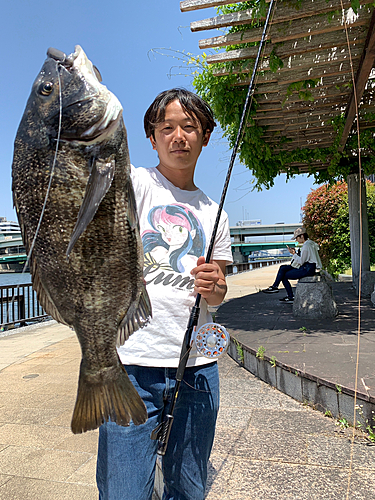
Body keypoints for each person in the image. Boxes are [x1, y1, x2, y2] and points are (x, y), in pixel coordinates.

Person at [96, 88, 233, 500]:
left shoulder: (216, 213)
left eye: (189, 127)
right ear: (151, 139)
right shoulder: (132, 183)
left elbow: (218, 295)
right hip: (130, 367)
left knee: (189, 488)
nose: (179, 136)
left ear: (204, 137)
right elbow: (94, 155)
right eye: (167, 128)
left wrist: (217, 287)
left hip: (196, 368)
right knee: (123, 492)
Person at [262, 227, 322, 302]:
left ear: (302, 236)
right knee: (283, 268)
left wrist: (293, 254)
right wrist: (295, 254)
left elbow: (301, 261)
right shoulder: (310, 243)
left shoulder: (306, 246)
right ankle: (276, 287)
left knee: (283, 275)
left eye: (296, 238)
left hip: (307, 269)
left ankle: (286, 294)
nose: (296, 240)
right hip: (308, 267)